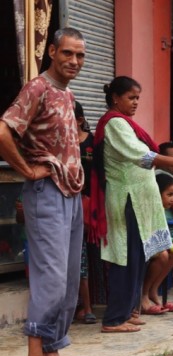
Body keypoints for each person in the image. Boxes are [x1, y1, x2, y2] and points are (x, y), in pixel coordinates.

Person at [0, 27, 96, 356]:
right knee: (51, 279)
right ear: (52, 51)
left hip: (70, 194)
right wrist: (26, 170)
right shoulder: (37, 88)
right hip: (46, 192)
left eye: (80, 55)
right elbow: (5, 131)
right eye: (67, 53)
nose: (74, 61)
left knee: (70, 278)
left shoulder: (67, 93)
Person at [88, 76, 173, 333]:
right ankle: (114, 319)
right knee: (125, 258)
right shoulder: (114, 123)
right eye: (131, 97)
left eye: (138, 98)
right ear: (116, 98)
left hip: (138, 202)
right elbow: (140, 155)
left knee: (137, 258)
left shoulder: (126, 124)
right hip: (126, 199)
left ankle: (128, 311)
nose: (136, 102)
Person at [74, 101, 96, 325]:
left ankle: (88, 306)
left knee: (82, 256)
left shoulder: (92, 143)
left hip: (89, 205)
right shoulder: (60, 143)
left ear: (80, 120)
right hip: (68, 203)